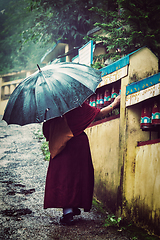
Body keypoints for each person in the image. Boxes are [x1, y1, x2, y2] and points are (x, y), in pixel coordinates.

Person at [42, 95, 121, 225]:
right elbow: (99, 113)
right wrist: (114, 104)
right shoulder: (76, 102)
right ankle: (70, 211)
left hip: (61, 144)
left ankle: (69, 211)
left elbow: (47, 130)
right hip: (78, 144)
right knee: (78, 176)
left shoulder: (52, 107)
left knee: (64, 177)